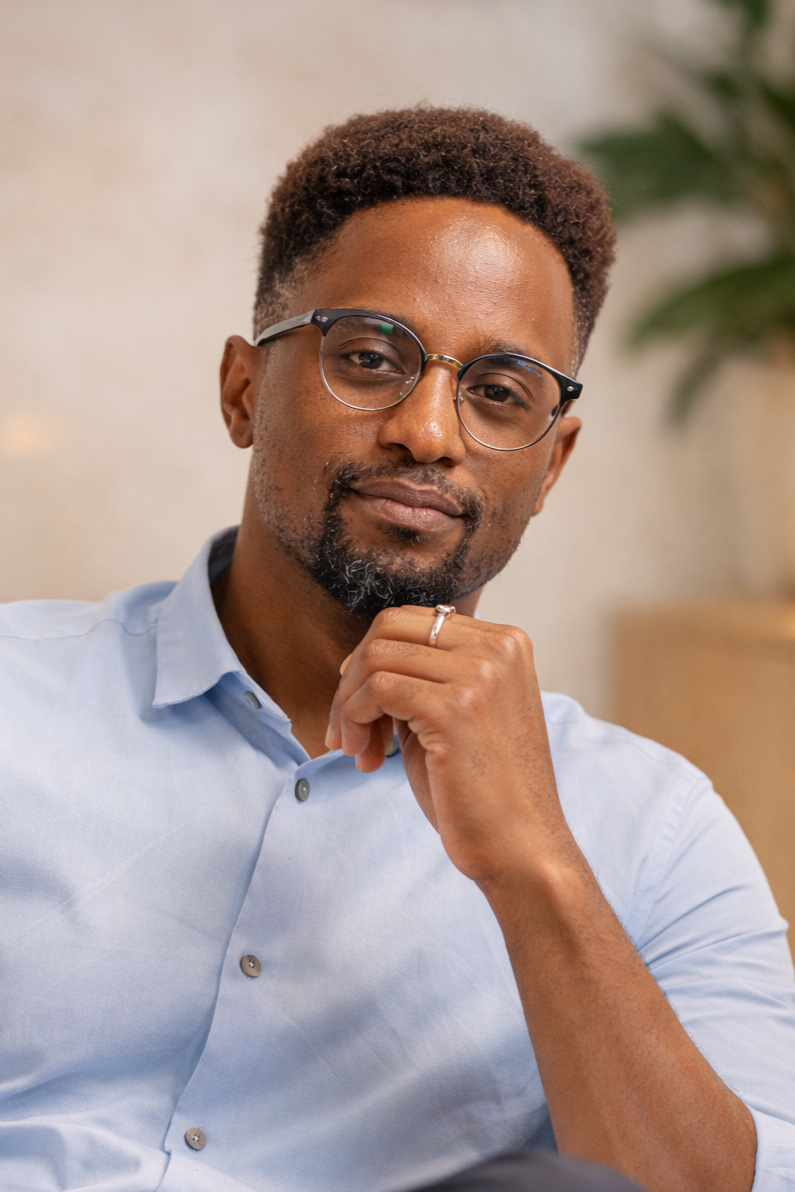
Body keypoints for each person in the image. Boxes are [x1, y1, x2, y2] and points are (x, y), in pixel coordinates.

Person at [1, 107, 793, 1192]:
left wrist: (533, 863)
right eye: (372, 359)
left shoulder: (657, 834)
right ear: (242, 390)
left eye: (498, 392)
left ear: (552, 465)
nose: (429, 430)